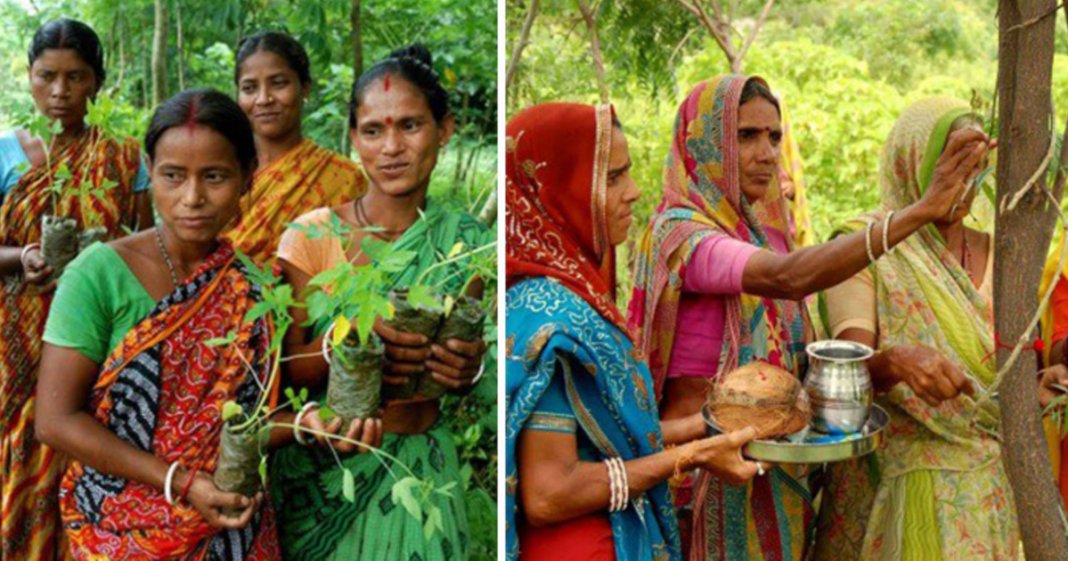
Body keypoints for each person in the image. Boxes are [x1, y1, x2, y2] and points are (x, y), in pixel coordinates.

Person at [626, 76, 991, 560]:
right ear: (703, 143)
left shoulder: (762, 237)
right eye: (746, 135)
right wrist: (918, 213)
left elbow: (799, 369)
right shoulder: (682, 236)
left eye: (774, 136)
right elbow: (786, 278)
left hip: (771, 476)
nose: (767, 152)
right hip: (702, 482)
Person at [505, 101, 770, 561]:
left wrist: (699, 428)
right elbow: (549, 495)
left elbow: (602, 434)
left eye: (626, 173)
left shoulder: (576, 289)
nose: (633, 191)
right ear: (557, 191)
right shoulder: (548, 317)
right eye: (611, 178)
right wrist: (693, 456)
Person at [35, 88, 283, 559]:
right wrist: (179, 482)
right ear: (150, 171)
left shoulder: (254, 288)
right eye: (173, 176)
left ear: (248, 177)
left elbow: (250, 420)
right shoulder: (98, 274)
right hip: (117, 526)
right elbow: (55, 421)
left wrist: (314, 422)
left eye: (214, 176)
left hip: (230, 521)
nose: (193, 198)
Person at [268, 44, 490, 561]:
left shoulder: (465, 242)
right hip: (326, 470)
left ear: (446, 128)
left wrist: (467, 370)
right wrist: (345, 337)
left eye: (410, 125)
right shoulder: (312, 236)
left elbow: (455, 369)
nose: (391, 147)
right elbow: (288, 373)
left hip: (418, 472)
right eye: (373, 130)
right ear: (353, 139)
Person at [816, 97, 1017, 560]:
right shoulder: (864, 248)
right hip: (903, 485)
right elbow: (846, 376)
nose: (963, 186)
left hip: (990, 495)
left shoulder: (1006, 254)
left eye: (976, 168)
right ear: (912, 163)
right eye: (951, 167)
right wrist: (896, 363)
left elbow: (1009, 368)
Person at [0, 18, 152, 560]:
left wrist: (94, 264)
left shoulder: (125, 157)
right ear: (29, 77)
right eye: (47, 77)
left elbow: (141, 244)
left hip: (98, 334)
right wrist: (25, 257)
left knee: (87, 445)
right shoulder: (7, 153)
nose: (60, 92)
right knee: (19, 451)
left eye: (75, 77)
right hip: (16, 341)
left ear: (97, 81)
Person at [226, 31, 366, 263]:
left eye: (278, 84)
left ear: (305, 88)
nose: (263, 99)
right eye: (250, 88)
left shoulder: (343, 178)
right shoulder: (218, 171)